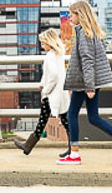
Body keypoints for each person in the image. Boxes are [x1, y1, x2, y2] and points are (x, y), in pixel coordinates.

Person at [58, 0, 112, 165]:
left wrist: (89, 86)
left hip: (85, 83)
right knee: (93, 117)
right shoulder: (92, 32)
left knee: (72, 114)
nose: (69, 17)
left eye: (72, 14)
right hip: (89, 81)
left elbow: (87, 61)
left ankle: (75, 154)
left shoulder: (83, 33)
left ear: (80, 15)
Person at [15, 29, 71, 157]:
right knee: (66, 122)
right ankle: (72, 148)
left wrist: (45, 90)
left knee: (42, 121)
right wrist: (42, 82)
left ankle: (28, 146)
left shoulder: (50, 56)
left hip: (52, 95)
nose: (42, 45)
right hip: (60, 94)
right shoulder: (58, 55)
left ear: (49, 42)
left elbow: (54, 75)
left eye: (43, 43)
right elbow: (51, 74)